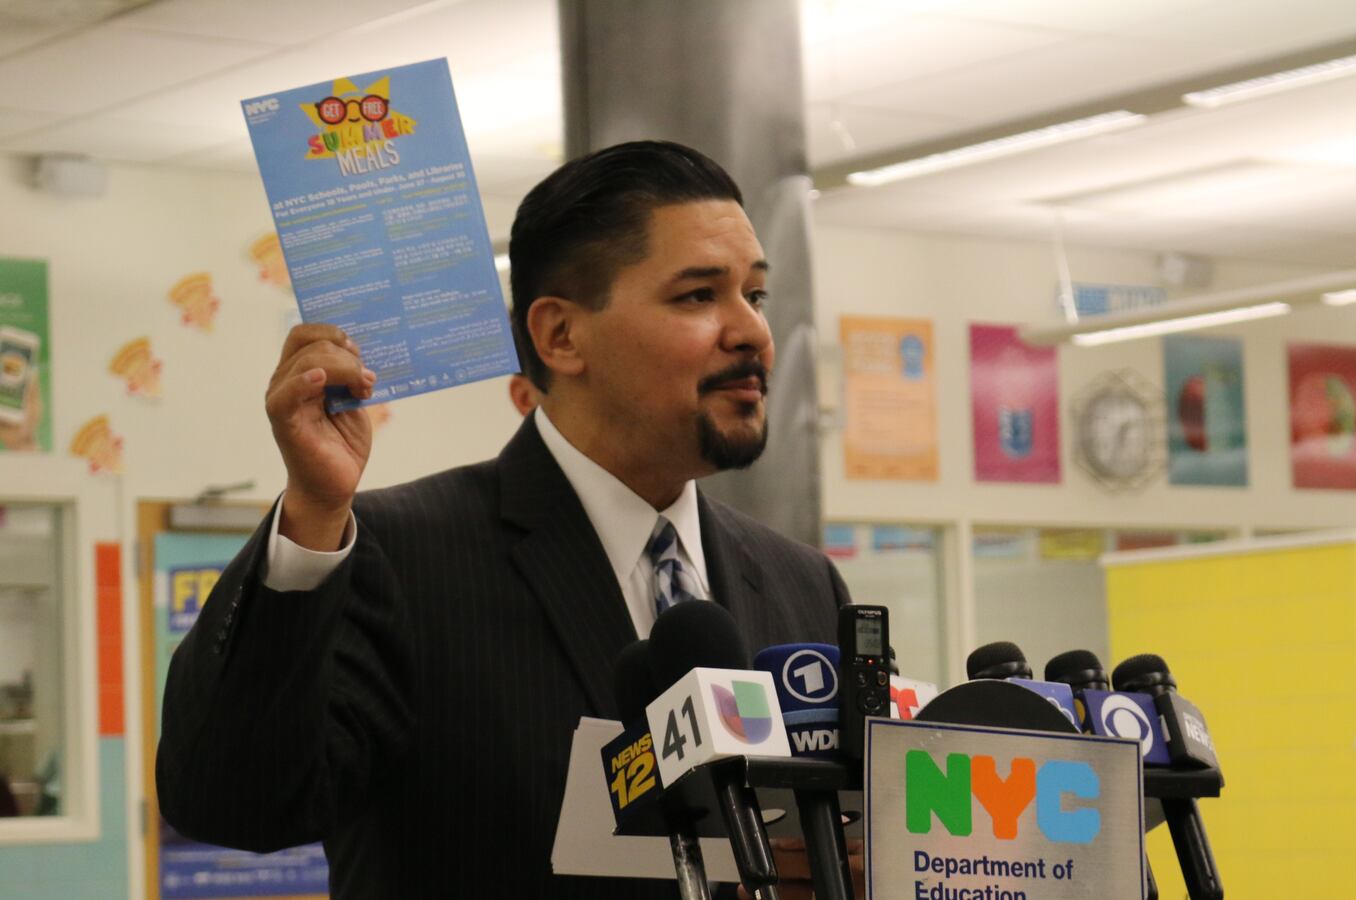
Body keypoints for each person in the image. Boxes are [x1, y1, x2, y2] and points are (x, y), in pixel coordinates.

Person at [157, 141, 854, 899]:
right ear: (560, 336)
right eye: (697, 296)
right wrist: (313, 516)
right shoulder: (403, 558)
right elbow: (237, 802)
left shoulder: (802, 584)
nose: (752, 332)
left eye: (756, 295)